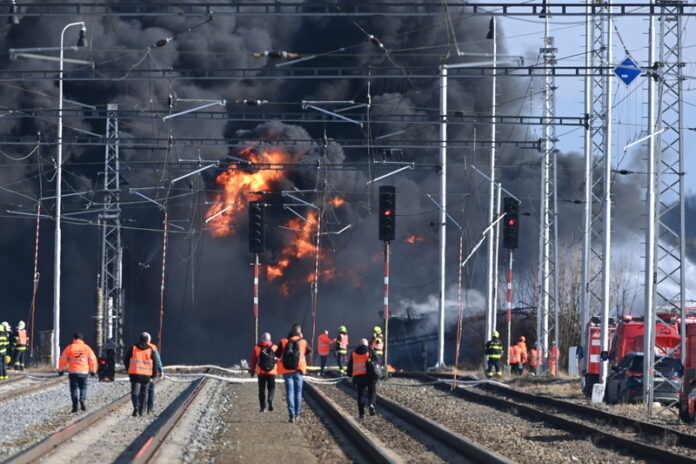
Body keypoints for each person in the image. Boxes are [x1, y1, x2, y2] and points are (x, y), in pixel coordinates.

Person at [276, 323, 310, 423]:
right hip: (299, 370)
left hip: (287, 371)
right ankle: (297, 414)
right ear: (299, 332)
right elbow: (310, 351)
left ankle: (291, 415)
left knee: (289, 393)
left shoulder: (283, 341)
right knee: (298, 392)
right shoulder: (303, 342)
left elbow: (277, 354)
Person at [58, 332, 97, 413]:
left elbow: (63, 359)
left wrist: (60, 369)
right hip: (83, 372)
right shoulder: (87, 348)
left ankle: (75, 407)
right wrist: (93, 371)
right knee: (84, 387)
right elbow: (92, 360)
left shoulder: (70, 347)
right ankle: (82, 399)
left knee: (73, 389)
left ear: (74, 338)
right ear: (82, 339)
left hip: (73, 372)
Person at [124, 333, 161, 417]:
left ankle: (136, 406)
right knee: (144, 393)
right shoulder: (150, 349)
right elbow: (155, 363)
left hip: (135, 374)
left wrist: (128, 370)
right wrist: (153, 375)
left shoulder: (133, 348)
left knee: (135, 392)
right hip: (146, 375)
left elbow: (126, 360)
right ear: (147, 340)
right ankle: (141, 411)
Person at [347, 338, 378, 419]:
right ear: (366, 344)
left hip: (359, 377)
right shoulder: (370, 351)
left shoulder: (353, 353)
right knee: (372, 392)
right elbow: (377, 361)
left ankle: (362, 414)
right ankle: (371, 404)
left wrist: (349, 374)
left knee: (361, 395)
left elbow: (350, 366)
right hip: (370, 376)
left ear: (359, 345)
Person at [249, 332, 277, 412]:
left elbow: (254, 360)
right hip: (271, 372)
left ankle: (263, 407)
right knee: (271, 387)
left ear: (262, 339)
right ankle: (270, 399)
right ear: (270, 339)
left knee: (261, 390)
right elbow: (279, 359)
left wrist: (252, 371)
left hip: (261, 372)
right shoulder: (275, 347)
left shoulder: (257, 347)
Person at [142, 333, 163, 414]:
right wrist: (161, 371)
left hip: (139, 372)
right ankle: (149, 409)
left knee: (142, 390)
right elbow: (157, 360)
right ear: (149, 340)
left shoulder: (136, 347)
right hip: (150, 373)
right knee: (150, 390)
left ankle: (141, 408)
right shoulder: (153, 347)